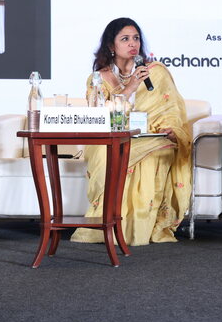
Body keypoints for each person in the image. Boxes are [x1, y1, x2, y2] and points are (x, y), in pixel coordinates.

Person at [71, 18, 192, 246]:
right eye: (125, 39)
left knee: (155, 153)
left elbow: (171, 108)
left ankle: (138, 228)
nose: (132, 43)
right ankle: (107, 225)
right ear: (111, 45)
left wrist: (170, 128)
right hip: (112, 137)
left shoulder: (155, 72)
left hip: (152, 137)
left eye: (136, 38)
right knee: (107, 152)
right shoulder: (98, 78)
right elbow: (98, 117)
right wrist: (130, 88)